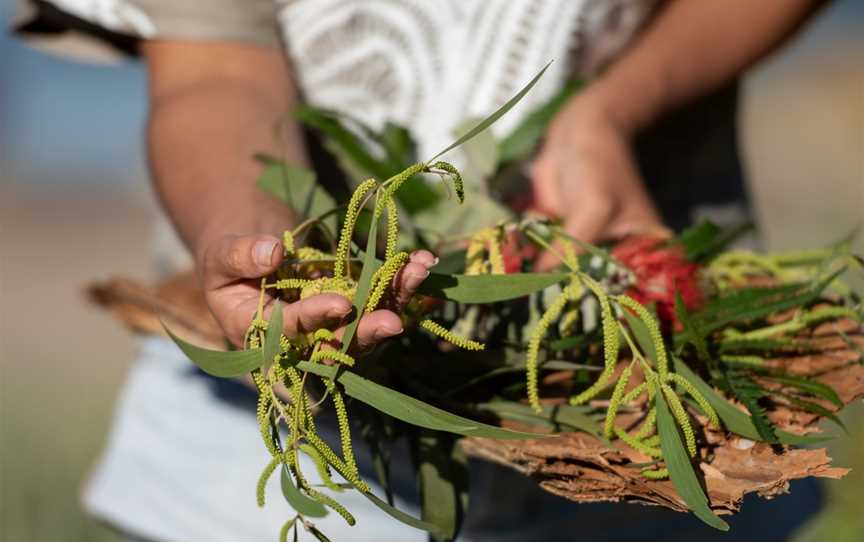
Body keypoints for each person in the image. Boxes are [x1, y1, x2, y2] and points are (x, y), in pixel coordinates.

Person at [14, 1, 830, 540]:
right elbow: (214, 66)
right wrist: (251, 229)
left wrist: (612, 109)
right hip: (285, 434)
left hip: (649, 413)